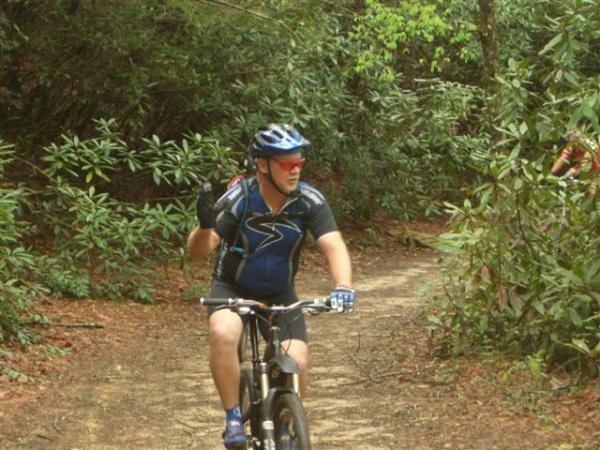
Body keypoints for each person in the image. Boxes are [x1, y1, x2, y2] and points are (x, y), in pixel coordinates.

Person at [187, 123, 355, 449]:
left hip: (279, 293)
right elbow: (198, 251)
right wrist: (204, 226)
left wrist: (343, 285)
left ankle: (287, 429)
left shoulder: (308, 201)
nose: (295, 171)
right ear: (262, 165)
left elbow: (333, 245)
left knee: (299, 361)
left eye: (299, 163)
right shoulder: (241, 198)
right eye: (286, 164)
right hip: (232, 288)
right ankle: (233, 416)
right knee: (223, 333)